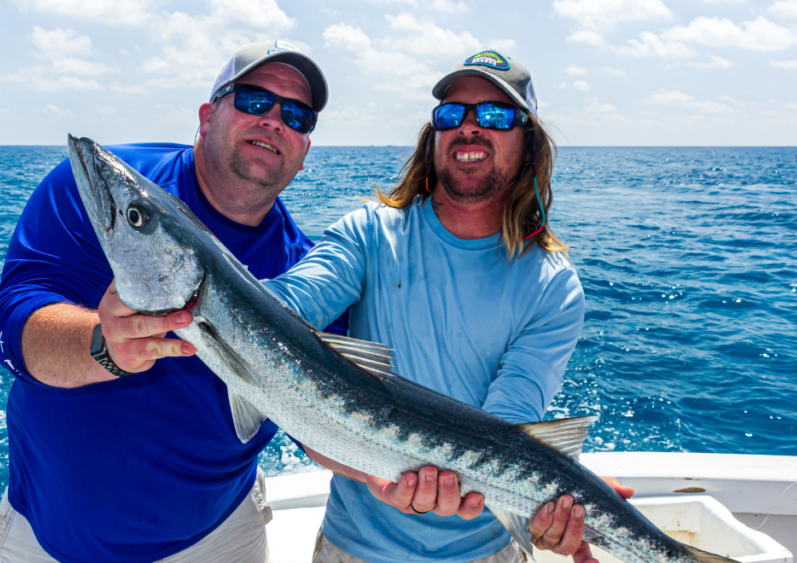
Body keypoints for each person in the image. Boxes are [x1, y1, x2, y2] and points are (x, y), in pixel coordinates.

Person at [263, 50, 633, 563]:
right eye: (452, 114)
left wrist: (555, 501)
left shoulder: (553, 285)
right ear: (433, 134)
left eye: (496, 116)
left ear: (529, 145)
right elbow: (288, 303)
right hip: (353, 549)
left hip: (487, 552)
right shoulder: (369, 233)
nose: (470, 128)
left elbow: (510, 424)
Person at [0, 40, 343, 563]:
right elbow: (13, 326)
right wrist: (102, 344)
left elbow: (329, 431)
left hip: (223, 538)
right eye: (252, 100)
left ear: (304, 149)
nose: (273, 120)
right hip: (47, 540)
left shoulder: (311, 276)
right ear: (206, 115)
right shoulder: (102, 188)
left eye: (296, 115)